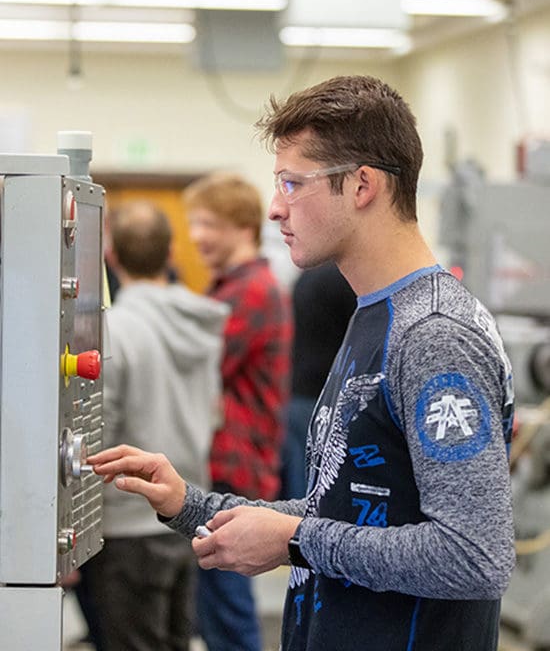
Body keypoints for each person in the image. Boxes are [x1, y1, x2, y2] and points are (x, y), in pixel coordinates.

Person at [89, 75, 516, 651]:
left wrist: (297, 540)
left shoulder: (434, 335)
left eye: (293, 184)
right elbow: (347, 507)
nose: (274, 208)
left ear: (362, 185)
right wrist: (192, 504)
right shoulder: (374, 314)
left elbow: (475, 555)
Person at [80, 200, 228, 651]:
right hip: (186, 513)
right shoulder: (203, 323)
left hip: (126, 524)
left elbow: (99, 429)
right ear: (170, 253)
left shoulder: (115, 330)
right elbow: (215, 411)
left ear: (112, 257)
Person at [183, 172, 293, 651]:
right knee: (215, 604)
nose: (196, 236)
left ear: (242, 227)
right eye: (194, 224)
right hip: (225, 461)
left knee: (228, 609)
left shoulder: (250, 292)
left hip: (236, 464)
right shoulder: (229, 288)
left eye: (207, 224)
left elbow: (198, 366)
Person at [280, 262, 357, 500]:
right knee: (315, 488)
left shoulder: (305, 278)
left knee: (299, 478)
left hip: (296, 392)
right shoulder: (344, 280)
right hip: (322, 396)